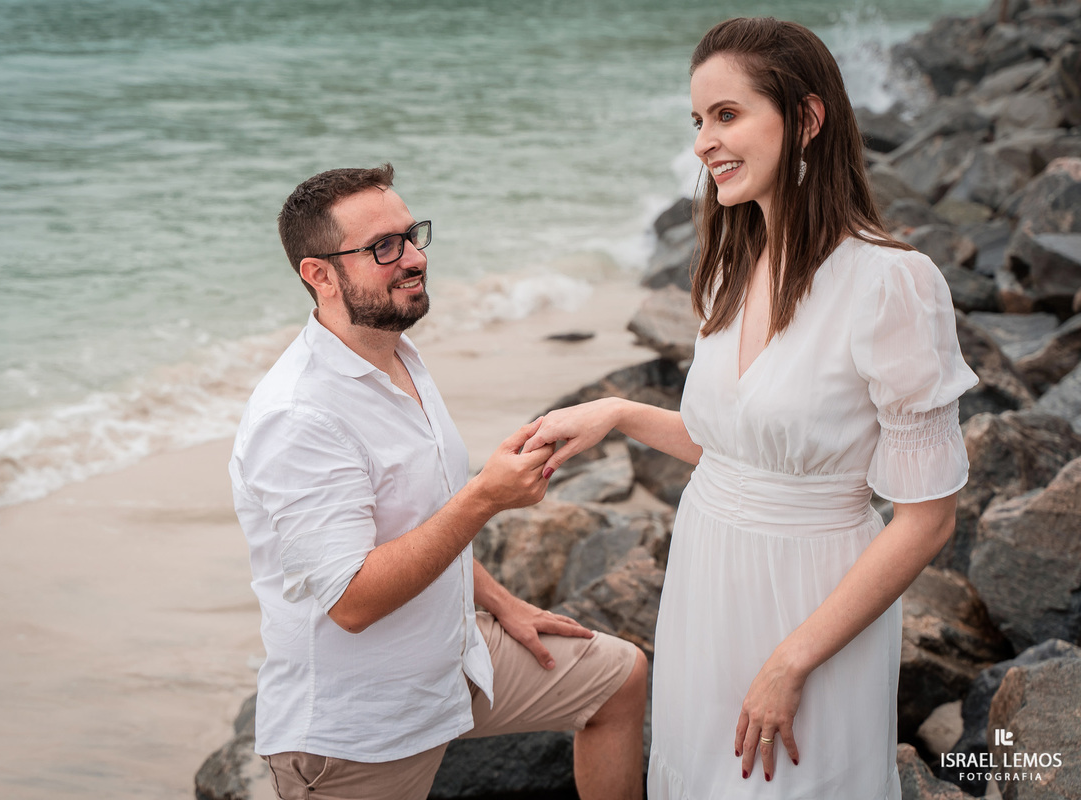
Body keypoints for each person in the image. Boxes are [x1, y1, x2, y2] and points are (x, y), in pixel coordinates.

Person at [521, 17, 978, 800]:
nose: (704, 141)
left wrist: (793, 659)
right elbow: (740, 452)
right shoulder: (730, 265)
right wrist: (622, 414)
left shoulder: (892, 283)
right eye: (698, 121)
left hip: (810, 599)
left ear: (806, 118)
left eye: (726, 115)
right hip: (706, 577)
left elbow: (927, 517)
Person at [229, 164, 648, 800]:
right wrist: (484, 498)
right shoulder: (298, 416)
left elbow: (415, 516)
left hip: (456, 662)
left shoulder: (395, 349)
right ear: (319, 275)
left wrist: (504, 604)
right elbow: (352, 602)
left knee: (618, 678)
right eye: (382, 248)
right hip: (359, 731)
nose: (414, 258)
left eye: (412, 234)